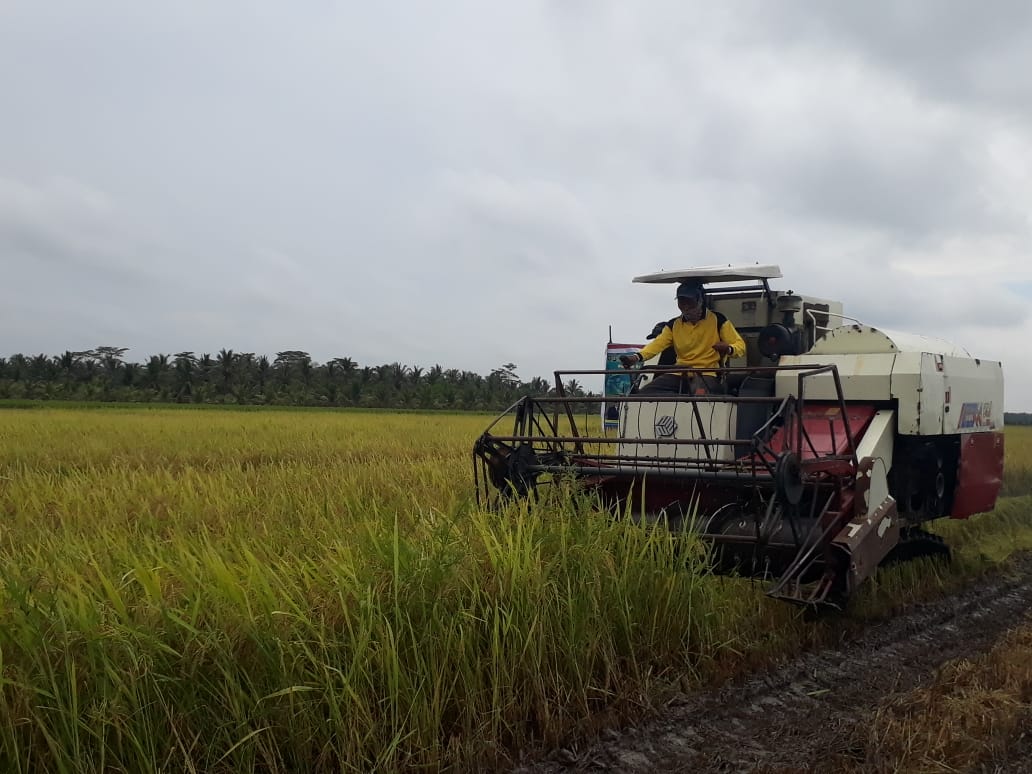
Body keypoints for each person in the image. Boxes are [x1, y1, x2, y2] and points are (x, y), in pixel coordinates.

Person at [619, 280, 746, 393]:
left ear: (700, 300)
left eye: (689, 301)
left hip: (708, 373)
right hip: (680, 372)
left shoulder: (718, 320)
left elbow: (740, 346)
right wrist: (636, 357)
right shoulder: (673, 325)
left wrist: (728, 348)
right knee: (645, 393)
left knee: (699, 394)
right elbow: (657, 345)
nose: (685, 306)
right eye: (681, 301)